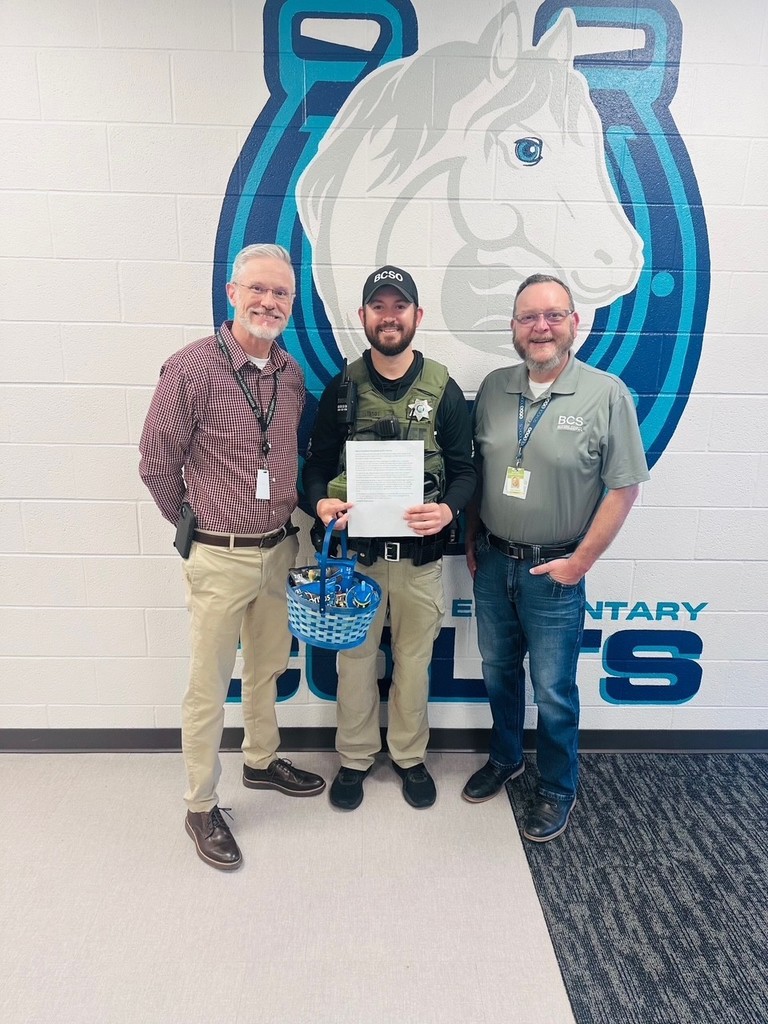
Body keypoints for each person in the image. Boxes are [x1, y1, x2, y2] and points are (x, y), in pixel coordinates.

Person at [139, 243, 325, 871]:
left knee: (268, 667)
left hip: (279, 552)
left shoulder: (289, 373)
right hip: (218, 558)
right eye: (258, 290)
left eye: (281, 294)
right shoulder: (190, 368)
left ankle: (262, 761)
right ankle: (199, 804)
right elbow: (156, 462)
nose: (269, 302)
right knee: (207, 689)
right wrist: (198, 527)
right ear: (232, 292)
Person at [463, 273, 649, 841]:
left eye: (553, 315)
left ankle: (556, 785)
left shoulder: (606, 394)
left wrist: (581, 563)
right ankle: (505, 757)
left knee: (553, 689)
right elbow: (480, 471)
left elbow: (624, 488)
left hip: (556, 572)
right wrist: (472, 540)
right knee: (498, 674)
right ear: (514, 329)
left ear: (574, 324)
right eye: (528, 318)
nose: (540, 327)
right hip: (494, 563)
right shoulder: (494, 388)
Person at [303, 266, 476, 810]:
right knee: (354, 662)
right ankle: (354, 758)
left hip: (420, 560)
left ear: (417, 317)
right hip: (357, 560)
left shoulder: (443, 389)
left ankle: (408, 756)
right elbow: (315, 467)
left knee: (414, 662)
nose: (389, 316)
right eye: (378, 306)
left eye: (399, 306)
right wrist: (320, 503)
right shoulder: (342, 387)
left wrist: (448, 508)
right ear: (363, 318)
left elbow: (466, 469)